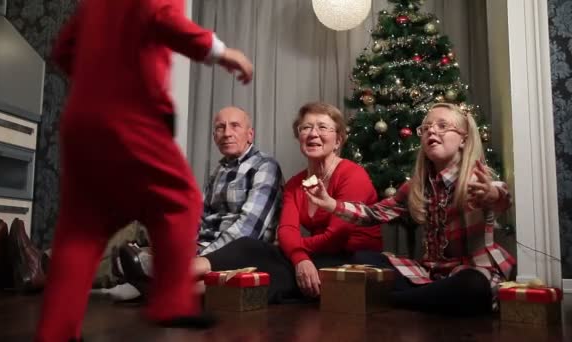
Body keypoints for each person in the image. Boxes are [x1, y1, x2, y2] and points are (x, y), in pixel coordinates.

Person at [37, 0, 254, 340]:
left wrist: (99, 78)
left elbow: (65, 49)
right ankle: (171, 302)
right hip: (132, 114)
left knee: (82, 229)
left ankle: (56, 331)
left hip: (82, 118)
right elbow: (162, 17)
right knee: (180, 201)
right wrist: (221, 52)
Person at [305, 102, 515, 316]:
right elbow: (373, 214)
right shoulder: (416, 186)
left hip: (473, 272)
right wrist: (331, 203)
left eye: (442, 126)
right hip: (430, 273)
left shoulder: (476, 181)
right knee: (363, 259)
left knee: (473, 287)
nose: (432, 130)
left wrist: (492, 195)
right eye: (426, 128)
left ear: (464, 139)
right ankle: (428, 297)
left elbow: (501, 197)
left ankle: (390, 300)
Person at [190, 102, 383, 303]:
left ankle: (183, 294)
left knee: (275, 272)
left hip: (353, 259)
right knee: (248, 246)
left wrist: (297, 253)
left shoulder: (353, 175)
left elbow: (335, 237)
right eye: (306, 127)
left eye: (322, 127)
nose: (313, 134)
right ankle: (176, 279)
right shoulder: (295, 183)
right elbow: (286, 231)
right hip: (314, 255)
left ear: (338, 140)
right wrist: (299, 257)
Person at [118, 106, 284, 293]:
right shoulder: (218, 172)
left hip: (237, 253)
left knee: (148, 263)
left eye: (235, 126)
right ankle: (147, 273)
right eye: (220, 128)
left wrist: (201, 257)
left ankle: (155, 279)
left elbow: (249, 228)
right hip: (205, 246)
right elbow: (199, 217)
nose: (227, 133)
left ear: (250, 135)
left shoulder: (265, 167)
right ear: (214, 137)